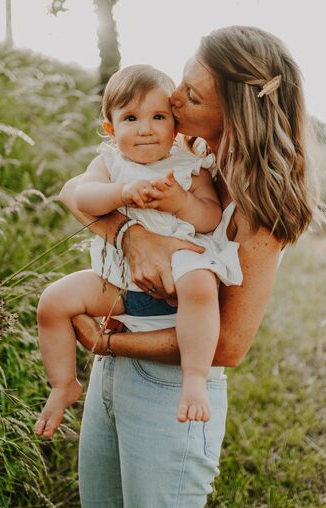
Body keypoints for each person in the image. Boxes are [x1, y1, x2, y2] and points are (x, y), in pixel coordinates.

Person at [59, 26, 326, 507]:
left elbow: (227, 344)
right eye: (182, 81)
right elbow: (71, 194)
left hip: (170, 390)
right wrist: (132, 235)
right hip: (111, 372)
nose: (174, 100)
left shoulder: (259, 211)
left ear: (235, 116)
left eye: (193, 96)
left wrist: (107, 341)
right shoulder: (181, 152)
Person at [34, 64, 243, 439]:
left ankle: (194, 377)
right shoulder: (110, 162)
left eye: (158, 116)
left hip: (179, 270)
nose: (145, 128)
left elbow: (211, 218)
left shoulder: (189, 167)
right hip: (117, 282)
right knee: (52, 301)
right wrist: (121, 193)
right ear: (111, 129)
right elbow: (82, 195)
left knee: (201, 284)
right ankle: (63, 384)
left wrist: (181, 202)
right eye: (130, 118)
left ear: (175, 126)